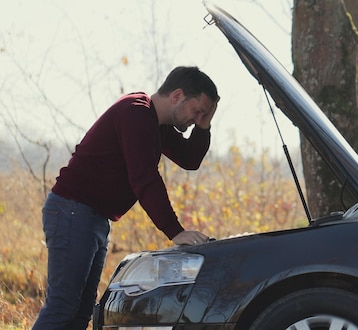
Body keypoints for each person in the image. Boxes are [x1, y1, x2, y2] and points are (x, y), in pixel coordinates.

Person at [32, 66, 220, 330]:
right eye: (197, 111)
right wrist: (174, 231)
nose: (196, 119)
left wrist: (204, 126)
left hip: (92, 218)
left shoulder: (157, 125)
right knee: (63, 306)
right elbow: (144, 177)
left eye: (203, 115)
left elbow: (190, 159)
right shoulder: (136, 113)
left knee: (80, 311)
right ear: (177, 95)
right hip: (73, 211)